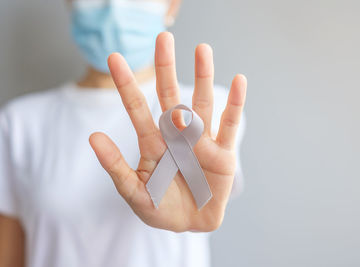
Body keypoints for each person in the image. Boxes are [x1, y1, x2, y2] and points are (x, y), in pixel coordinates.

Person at [0, 0, 247, 266]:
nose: (115, 7)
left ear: (172, 5)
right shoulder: (19, 123)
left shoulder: (201, 116)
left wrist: (196, 207)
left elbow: (202, 200)